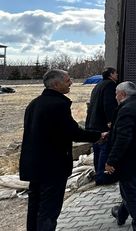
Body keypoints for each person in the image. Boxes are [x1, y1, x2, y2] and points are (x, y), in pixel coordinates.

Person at [19, 69, 106, 231]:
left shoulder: (34, 103)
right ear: (56, 84)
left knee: (35, 208)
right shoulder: (58, 105)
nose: (71, 82)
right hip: (52, 167)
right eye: (67, 80)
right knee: (49, 211)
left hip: (34, 166)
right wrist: (97, 136)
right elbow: (72, 132)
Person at [105, 81, 136, 231]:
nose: (115, 97)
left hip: (130, 160)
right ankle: (121, 214)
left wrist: (111, 160)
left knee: (131, 192)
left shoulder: (126, 109)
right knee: (130, 189)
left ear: (123, 94)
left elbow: (124, 138)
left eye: (116, 94)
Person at [85, 67, 119, 185]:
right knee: (105, 149)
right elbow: (108, 103)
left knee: (97, 149)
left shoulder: (98, 86)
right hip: (102, 124)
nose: (117, 75)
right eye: (115, 73)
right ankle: (102, 176)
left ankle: (98, 173)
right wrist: (110, 120)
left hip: (92, 123)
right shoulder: (110, 85)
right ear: (110, 75)